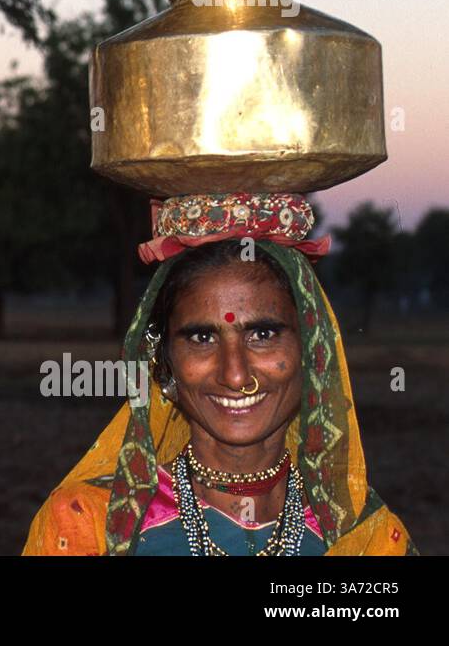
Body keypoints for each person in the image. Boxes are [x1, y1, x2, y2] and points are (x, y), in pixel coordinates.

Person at [23, 194, 414, 556]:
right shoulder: (89, 526)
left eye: (263, 334)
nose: (235, 374)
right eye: (201, 337)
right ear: (164, 363)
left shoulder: (367, 538)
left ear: (313, 352)